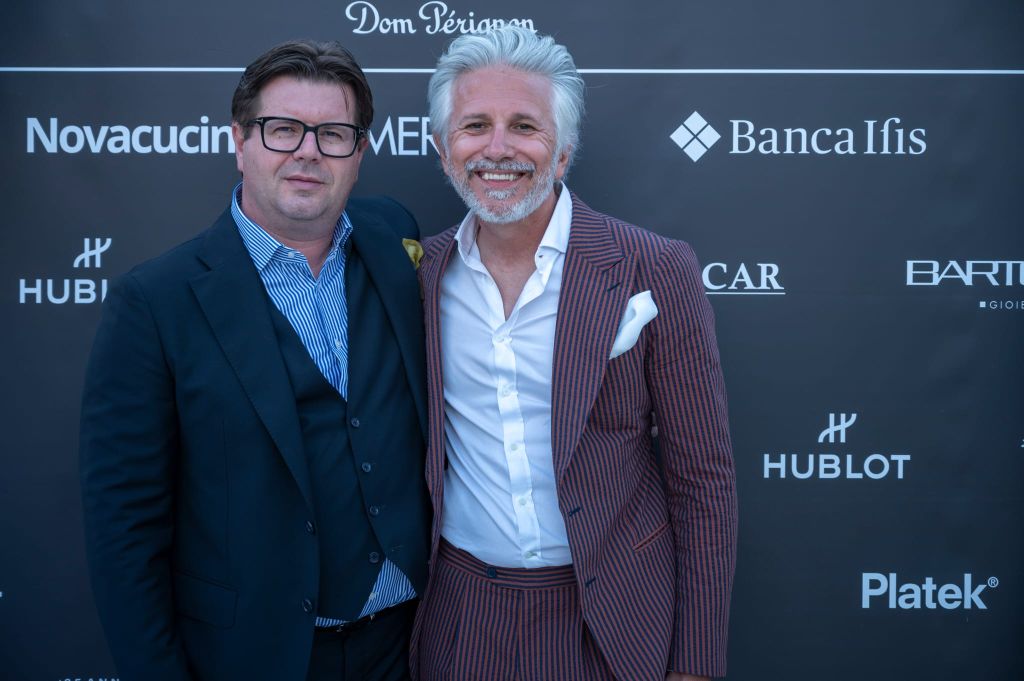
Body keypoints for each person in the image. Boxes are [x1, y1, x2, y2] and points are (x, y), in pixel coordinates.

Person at [79, 40, 430, 681]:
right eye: (283, 129)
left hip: (410, 646)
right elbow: (124, 529)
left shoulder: (393, 237)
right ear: (239, 141)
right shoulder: (156, 301)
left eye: (333, 134)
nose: (308, 151)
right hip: (258, 657)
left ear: (359, 154)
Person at [410, 27, 738, 681]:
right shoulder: (419, 275)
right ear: (444, 151)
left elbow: (703, 479)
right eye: (475, 126)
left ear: (561, 154)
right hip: (460, 617)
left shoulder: (653, 268)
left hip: (611, 619)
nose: (497, 148)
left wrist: (695, 663)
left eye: (524, 126)